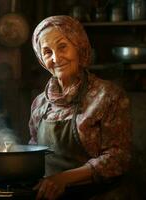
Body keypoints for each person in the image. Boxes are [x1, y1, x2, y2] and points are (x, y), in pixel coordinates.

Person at [29, 15, 132, 200]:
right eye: (47, 52)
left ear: (79, 46)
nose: (56, 58)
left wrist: (63, 179)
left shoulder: (107, 95)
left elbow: (119, 158)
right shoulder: (40, 104)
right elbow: (34, 151)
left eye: (62, 47)